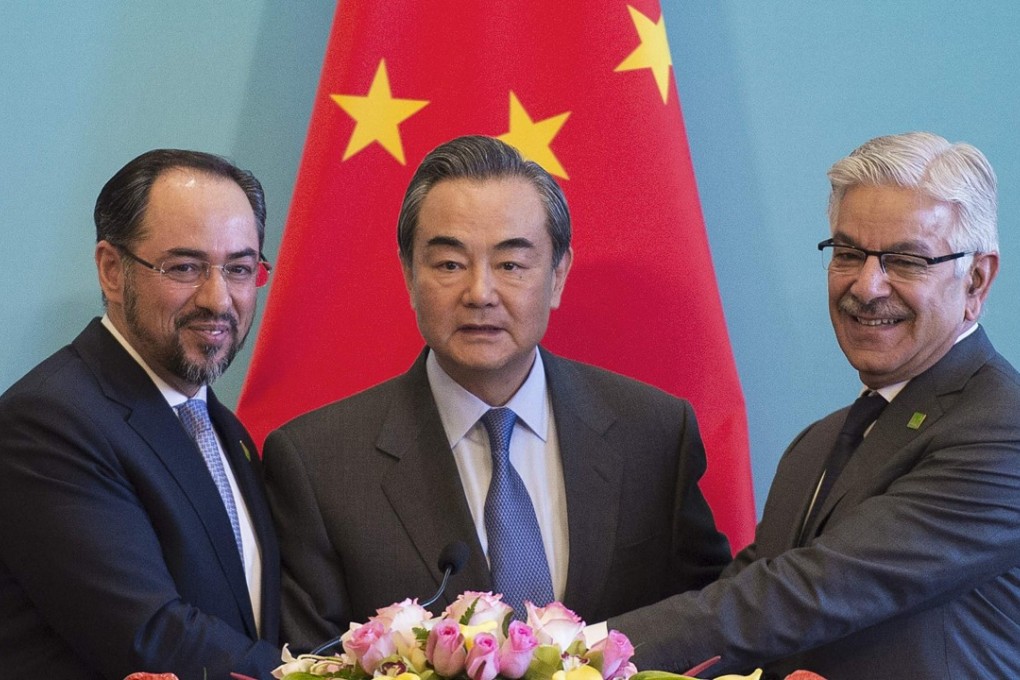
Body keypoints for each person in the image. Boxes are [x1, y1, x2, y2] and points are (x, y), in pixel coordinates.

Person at [263, 135, 731, 652]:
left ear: (557, 276)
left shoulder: (655, 433)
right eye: (449, 264)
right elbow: (314, 662)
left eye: (510, 265)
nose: (480, 293)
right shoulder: (319, 462)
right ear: (408, 275)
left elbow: (706, 627)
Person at [608, 132, 1020, 678]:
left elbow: (807, 592)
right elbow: (749, 595)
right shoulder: (817, 444)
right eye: (848, 253)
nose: (868, 286)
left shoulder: (1002, 431)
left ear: (976, 279)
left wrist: (587, 651)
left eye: (905, 260)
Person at [0, 150, 283, 679]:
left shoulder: (224, 431)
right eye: (185, 267)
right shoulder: (48, 422)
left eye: (240, 269)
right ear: (112, 270)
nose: (217, 298)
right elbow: (150, 635)